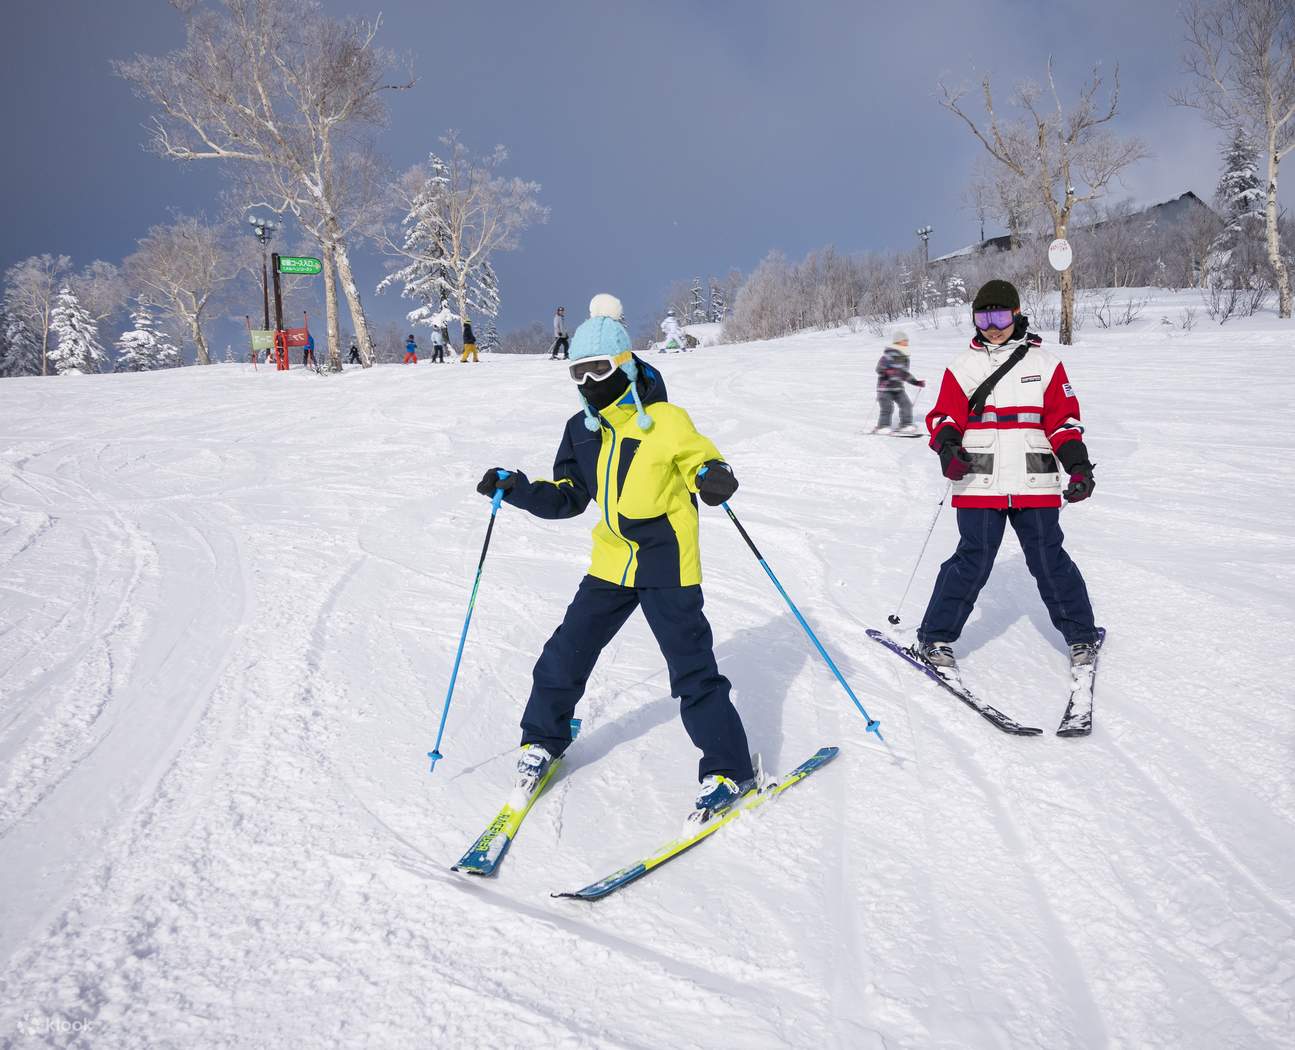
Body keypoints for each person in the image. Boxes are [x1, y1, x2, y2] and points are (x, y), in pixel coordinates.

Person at [476, 293, 757, 822]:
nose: (588, 382)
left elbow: (702, 459)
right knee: (566, 654)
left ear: (624, 365)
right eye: (577, 371)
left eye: (598, 369)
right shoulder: (580, 431)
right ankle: (543, 740)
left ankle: (729, 769)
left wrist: (711, 477)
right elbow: (567, 495)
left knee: (691, 671)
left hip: (667, 564)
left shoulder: (667, 419)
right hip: (611, 561)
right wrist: (515, 489)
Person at [915, 279, 1100, 672]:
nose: (992, 326)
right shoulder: (963, 366)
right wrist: (948, 449)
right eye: (983, 317)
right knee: (972, 561)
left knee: (1049, 560)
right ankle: (935, 638)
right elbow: (944, 416)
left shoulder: (1044, 364)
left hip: (1035, 480)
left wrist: (1079, 467)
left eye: (999, 315)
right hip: (980, 479)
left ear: (1016, 314)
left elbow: (1064, 422)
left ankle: (1082, 636)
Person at [873, 329, 925, 434]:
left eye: (907, 340)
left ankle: (905, 425)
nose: (907, 342)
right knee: (887, 407)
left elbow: (904, 374)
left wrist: (916, 382)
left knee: (906, 405)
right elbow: (879, 368)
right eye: (904, 340)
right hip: (885, 388)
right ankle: (883, 427)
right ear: (898, 341)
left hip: (898, 388)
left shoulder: (905, 358)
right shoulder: (887, 356)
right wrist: (887, 371)